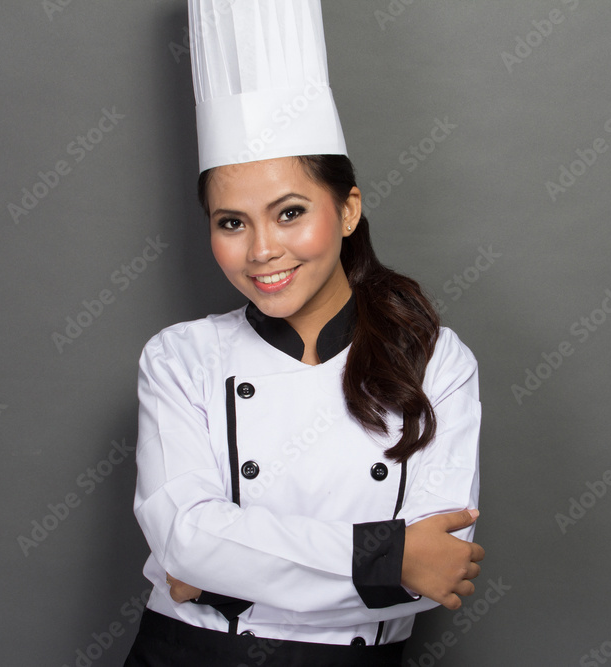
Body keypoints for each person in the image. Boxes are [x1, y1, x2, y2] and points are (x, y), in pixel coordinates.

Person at [124, 2, 483, 665]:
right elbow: (184, 540)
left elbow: (439, 571)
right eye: (231, 222)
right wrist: (390, 557)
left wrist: (225, 574)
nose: (262, 249)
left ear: (347, 209)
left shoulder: (435, 359)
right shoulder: (180, 358)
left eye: (290, 212)